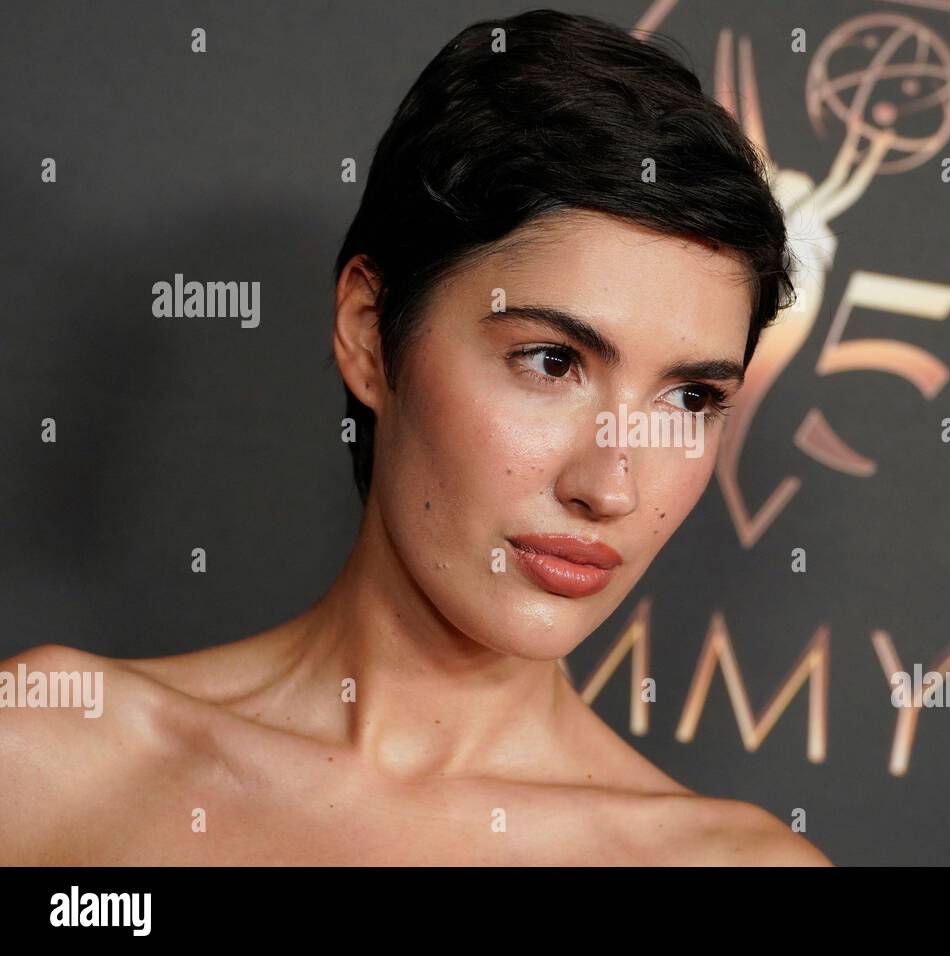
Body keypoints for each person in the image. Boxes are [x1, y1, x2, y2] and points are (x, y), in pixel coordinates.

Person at [0, 8, 831, 866]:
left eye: (690, 397)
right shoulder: (46, 760)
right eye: (550, 361)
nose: (611, 485)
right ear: (368, 331)